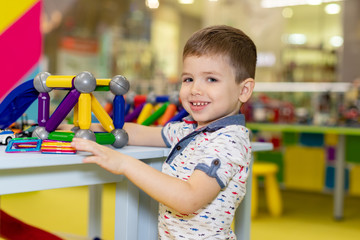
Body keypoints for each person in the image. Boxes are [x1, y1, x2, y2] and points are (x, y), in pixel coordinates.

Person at [71, 25, 257, 239]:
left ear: (243, 90)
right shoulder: (191, 129)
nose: (195, 89)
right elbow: (139, 133)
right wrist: (81, 128)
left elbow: (189, 199)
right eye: (188, 79)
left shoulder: (228, 140)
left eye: (211, 79)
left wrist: (123, 163)